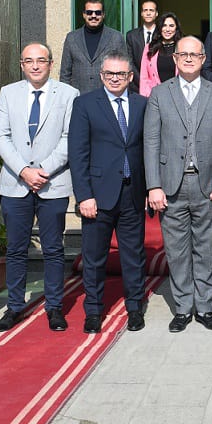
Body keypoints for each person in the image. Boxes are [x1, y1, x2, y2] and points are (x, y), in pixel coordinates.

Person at [144, 36, 212, 332]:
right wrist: (153, 186)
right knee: (177, 250)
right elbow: (151, 142)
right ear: (175, 59)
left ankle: (205, 307)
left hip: (207, 185)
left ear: (204, 58)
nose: (188, 59)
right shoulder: (159, 93)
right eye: (183, 54)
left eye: (194, 54)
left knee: (206, 249)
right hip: (171, 185)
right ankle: (183, 308)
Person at [0, 43, 79, 334]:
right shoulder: (8, 93)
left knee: (53, 249)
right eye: (29, 61)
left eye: (41, 60)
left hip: (52, 183)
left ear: (51, 63)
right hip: (16, 183)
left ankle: (54, 306)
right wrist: (24, 170)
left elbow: (69, 137)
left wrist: (43, 170)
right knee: (16, 249)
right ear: (22, 64)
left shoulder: (68, 94)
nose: (35, 66)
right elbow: (0, 136)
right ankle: (14, 306)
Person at [69, 51, 149, 333]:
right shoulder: (85, 104)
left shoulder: (142, 104)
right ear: (102, 75)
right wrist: (84, 196)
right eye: (110, 73)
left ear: (130, 76)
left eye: (121, 74)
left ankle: (135, 307)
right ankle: (93, 310)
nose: (115, 78)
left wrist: (150, 188)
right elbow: (77, 153)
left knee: (133, 254)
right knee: (94, 256)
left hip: (132, 192)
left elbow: (147, 148)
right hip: (98, 195)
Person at [60, 0, 126, 94]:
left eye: (98, 13)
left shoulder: (116, 37)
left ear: (103, 15)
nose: (93, 16)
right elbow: (65, 73)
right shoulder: (71, 38)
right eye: (89, 12)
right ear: (84, 14)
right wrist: (66, 96)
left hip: (107, 96)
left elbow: (124, 69)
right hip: (78, 96)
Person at [139, 11, 180, 96]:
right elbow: (144, 77)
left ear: (176, 28)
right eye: (164, 25)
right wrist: (145, 97)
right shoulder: (149, 48)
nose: (167, 29)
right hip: (155, 96)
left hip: (178, 95)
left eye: (171, 26)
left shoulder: (182, 48)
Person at [126, 0, 159, 88]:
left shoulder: (162, 34)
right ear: (141, 13)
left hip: (159, 84)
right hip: (136, 85)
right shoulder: (131, 35)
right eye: (145, 10)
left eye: (151, 10)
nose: (148, 13)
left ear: (156, 13)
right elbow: (130, 61)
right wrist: (142, 81)